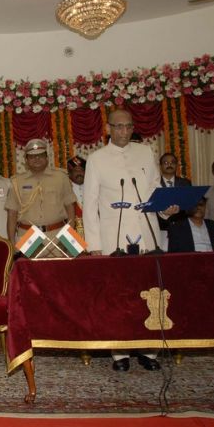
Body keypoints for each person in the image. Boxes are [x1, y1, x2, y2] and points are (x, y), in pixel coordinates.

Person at [83, 109, 178, 372]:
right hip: (113, 236)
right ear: (108, 129)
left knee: (150, 291)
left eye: (128, 126)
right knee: (118, 294)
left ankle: (149, 351)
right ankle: (119, 352)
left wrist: (165, 210)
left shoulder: (145, 152)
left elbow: (155, 191)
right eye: (118, 127)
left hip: (147, 233)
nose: (123, 132)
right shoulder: (96, 159)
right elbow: (90, 204)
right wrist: (94, 245)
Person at [5, 139, 75, 256]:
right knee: (29, 268)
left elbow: (70, 208)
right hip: (28, 236)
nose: (37, 159)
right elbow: (12, 214)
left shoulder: (61, 177)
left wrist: (69, 235)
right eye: (32, 156)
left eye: (40, 155)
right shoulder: (16, 181)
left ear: (47, 157)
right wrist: (11, 242)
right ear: (26, 160)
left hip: (59, 233)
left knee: (63, 267)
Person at [158, 152, 192, 249]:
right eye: (166, 163)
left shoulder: (185, 183)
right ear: (160, 166)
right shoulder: (154, 183)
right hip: (161, 228)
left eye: (172, 162)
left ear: (176, 165)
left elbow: (189, 206)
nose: (169, 165)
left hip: (181, 227)